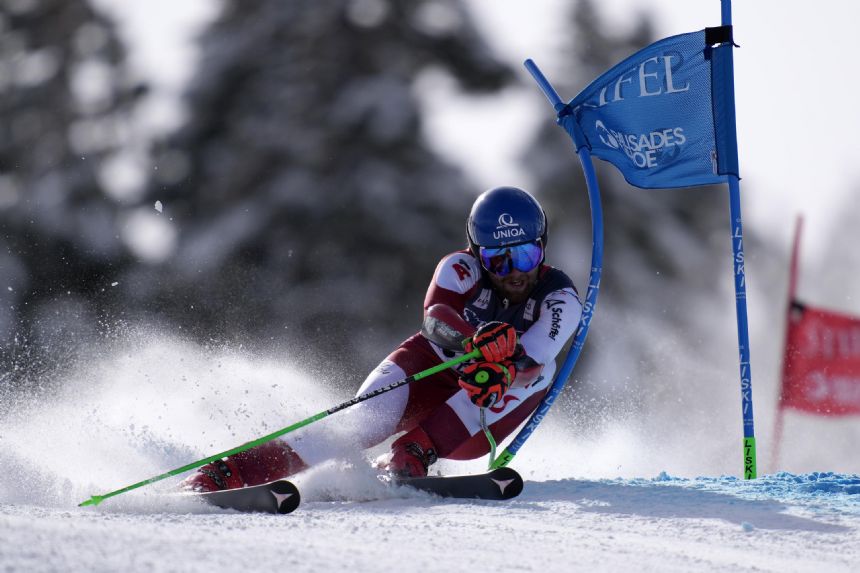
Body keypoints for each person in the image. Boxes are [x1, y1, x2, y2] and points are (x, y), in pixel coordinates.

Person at [181, 186, 582, 491]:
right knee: (360, 425)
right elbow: (436, 319)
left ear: (542, 248)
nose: (514, 272)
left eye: (525, 255)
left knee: (541, 373)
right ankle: (231, 471)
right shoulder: (459, 269)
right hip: (431, 366)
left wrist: (505, 367)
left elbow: (540, 353)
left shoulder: (560, 297)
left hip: (478, 413)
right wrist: (475, 343)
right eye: (498, 259)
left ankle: (413, 454)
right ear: (477, 253)